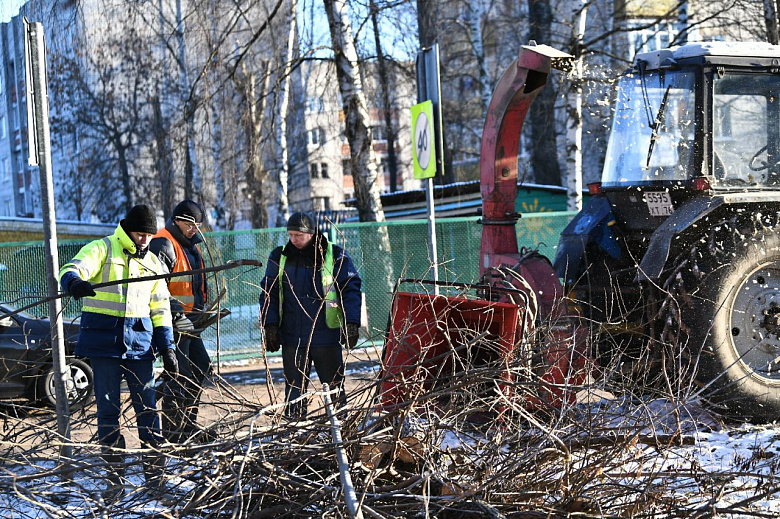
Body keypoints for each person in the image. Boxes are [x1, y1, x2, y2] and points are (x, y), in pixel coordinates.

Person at [59, 204, 177, 500]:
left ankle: (155, 479)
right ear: (127, 230)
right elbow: (71, 268)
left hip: (140, 346)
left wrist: (168, 346)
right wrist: (74, 283)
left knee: (148, 412)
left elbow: (160, 307)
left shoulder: (153, 264)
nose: (144, 241)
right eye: (139, 235)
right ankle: (115, 478)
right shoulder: (103, 248)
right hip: (104, 346)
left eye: (148, 236)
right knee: (108, 413)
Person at [259, 212, 362, 419]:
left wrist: (352, 322)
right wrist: (269, 325)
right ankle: (294, 432)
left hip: (326, 336)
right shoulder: (279, 256)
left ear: (311, 234)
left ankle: (341, 430)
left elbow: (351, 289)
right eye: (291, 235)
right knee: (294, 393)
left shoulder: (335, 254)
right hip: (292, 337)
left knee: (334, 390)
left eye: (299, 235)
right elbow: (269, 292)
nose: (294, 239)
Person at [149, 199, 213, 443]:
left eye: (198, 224)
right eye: (191, 224)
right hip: (173, 324)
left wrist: (202, 310)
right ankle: (175, 433)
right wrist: (176, 315)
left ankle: (187, 426)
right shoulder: (163, 243)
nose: (196, 229)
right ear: (177, 220)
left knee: (200, 368)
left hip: (191, 324)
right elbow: (157, 286)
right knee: (180, 375)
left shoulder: (189, 246)